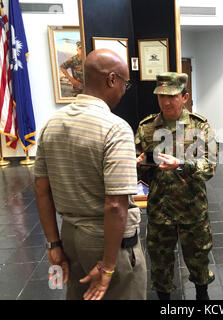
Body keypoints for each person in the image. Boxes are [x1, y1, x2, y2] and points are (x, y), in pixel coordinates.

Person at [34, 48, 146, 300]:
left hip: (70, 237)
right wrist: (107, 265)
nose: (123, 90)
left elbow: (41, 189)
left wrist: (53, 245)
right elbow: (116, 205)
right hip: (107, 241)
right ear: (111, 80)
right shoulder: (116, 128)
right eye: (125, 83)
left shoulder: (51, 125)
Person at [135, 72, 217, 300]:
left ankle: (202, 296)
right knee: (160, 262)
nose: (166, 102)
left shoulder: (200, 128)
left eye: (172, 96)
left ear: (185, 97)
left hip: (193, 209)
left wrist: (182, 164)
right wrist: (140, 165)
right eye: (161, 96)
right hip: (160, 209)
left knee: (198, 258)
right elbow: (136, 168)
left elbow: (210, 167)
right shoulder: (147, 128)